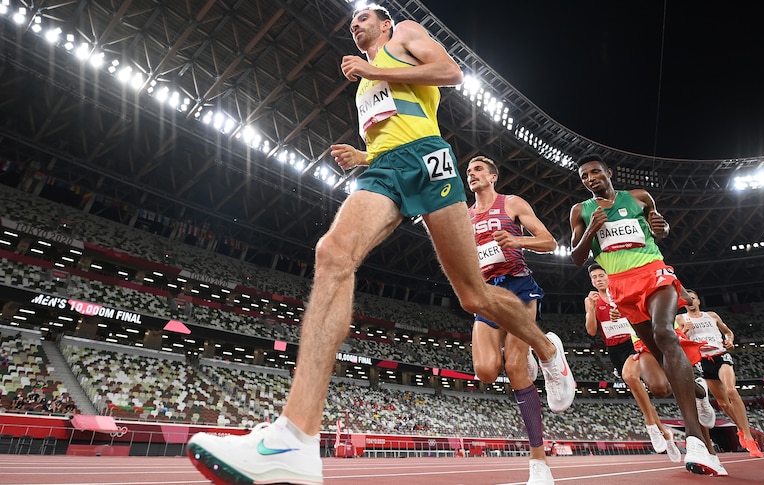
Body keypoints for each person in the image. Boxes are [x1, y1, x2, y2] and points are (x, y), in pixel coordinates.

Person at [187, 5, 575, 485]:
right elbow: (393, 132)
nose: (356, 24)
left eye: (365, 17)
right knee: (332, 254)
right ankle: (296, 438)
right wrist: (363, 154)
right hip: (385, 169)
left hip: (428, 160)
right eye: (353, 22)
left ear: (386, 24)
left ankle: (546, 349)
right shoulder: (365, 88)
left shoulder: (404, 37)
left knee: (473, 295)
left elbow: (451, 73)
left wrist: (373, 67)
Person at [569, 153, 723, 475]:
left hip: (654, 273)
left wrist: (662, 226)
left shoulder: (638, 197)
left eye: (595, 172)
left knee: (665, 333)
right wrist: (590, 230)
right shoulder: (580, 212)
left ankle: (694, 440)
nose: (590, 178)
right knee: (661, 361)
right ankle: (699, 392)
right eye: (584, 176)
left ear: (608, 173)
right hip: (622, 287)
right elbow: (576, 257)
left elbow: (660, 228)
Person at [467, 155, 564, 485]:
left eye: (478, 169)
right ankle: (535, 361)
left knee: (515, 367)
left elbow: (550, 241)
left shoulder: (512, 204)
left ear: (493, 176)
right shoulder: (465, 217)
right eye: (468, 171)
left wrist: (518, 240)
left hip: (519, 287)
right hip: (488, 294)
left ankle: (538, 461)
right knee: (484, 371)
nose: (472, 174)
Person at [584, 263, 681, 462]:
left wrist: (622, 313)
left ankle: (650, 424)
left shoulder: (620, 291)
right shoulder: (590, 300)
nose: (598, 280)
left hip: (633, 341)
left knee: (630, 376)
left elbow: (640, 313)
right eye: (594, 277)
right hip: (614, 349)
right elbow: (592, 331)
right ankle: (664, 433)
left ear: (609, 276)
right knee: (637, 388)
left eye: (601, 275)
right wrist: (592, 309)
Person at [677, 289, 764, 458]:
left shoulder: (712, 315)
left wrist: (729, 340)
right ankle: (740, 429)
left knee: (731, 390)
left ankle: (748, 437)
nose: (690, 302)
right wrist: (685, 331)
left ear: (698, 301)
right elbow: (676, 341)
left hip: (721, 356)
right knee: (723, 403)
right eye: (686, 300)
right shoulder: (680, 319)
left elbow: (728, 332)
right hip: (703, 361)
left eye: (692, 299)